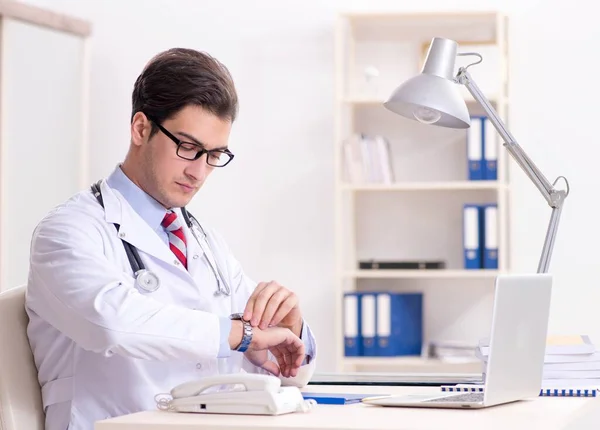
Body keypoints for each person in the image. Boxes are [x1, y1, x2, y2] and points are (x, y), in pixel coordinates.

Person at [25, 47, 317, 430]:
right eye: (189, 148)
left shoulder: (203, 241)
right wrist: (241, 334)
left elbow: (275, 366)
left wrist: (289, 330)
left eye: (214, 155)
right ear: (141, 128)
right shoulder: (68, 231)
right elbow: (110, 323)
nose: (199, 172)